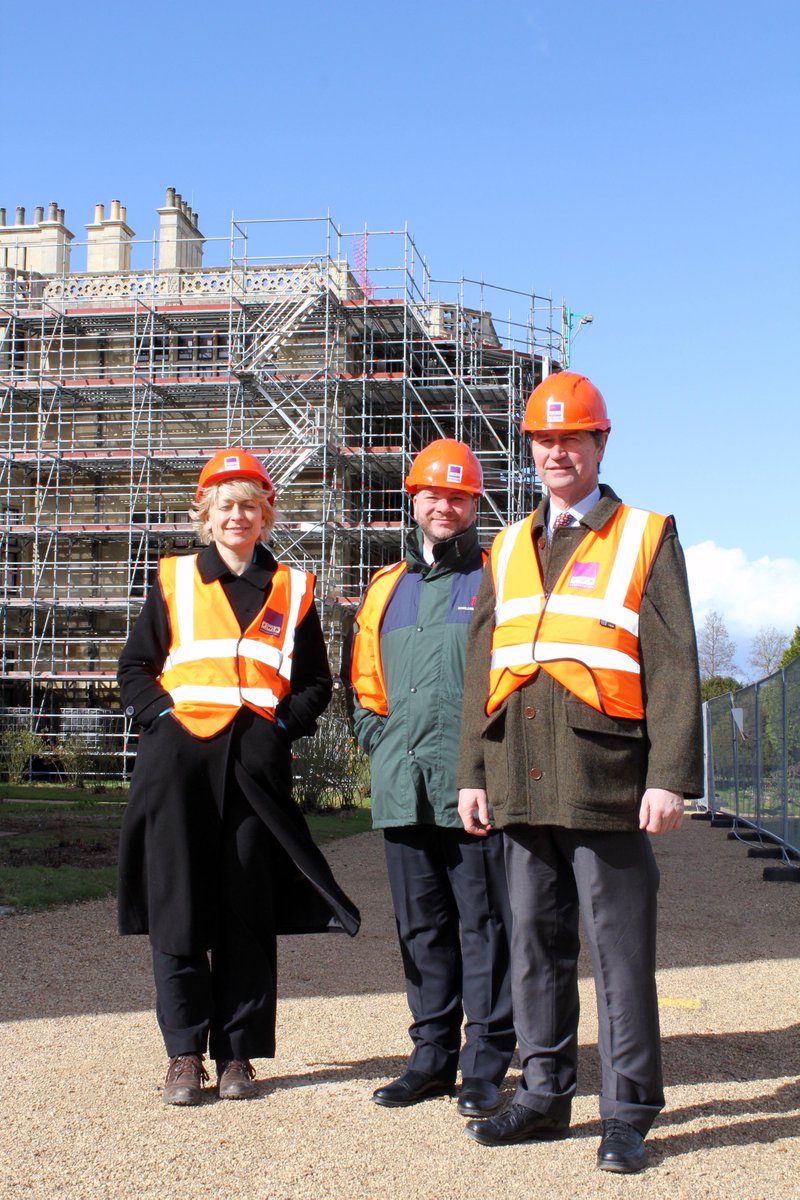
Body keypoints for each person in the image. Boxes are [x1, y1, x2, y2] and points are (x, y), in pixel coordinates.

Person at [456, 373, 702, 1173]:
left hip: (609, 782)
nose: (556, 452)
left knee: (620, 953)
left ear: (600, 444)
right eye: (543, 440)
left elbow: (672, 665)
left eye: (572, 438)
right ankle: (543, 1093)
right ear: (529, 449)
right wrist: (472, 772)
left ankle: (628, 1110)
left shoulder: (644, 533)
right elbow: (482, 666)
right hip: (520, 779)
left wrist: (669, 774)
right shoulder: (506, 545)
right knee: (532, 944)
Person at [117, 449, 360, 1106]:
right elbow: (135, 668)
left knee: (245, 909)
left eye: (249, 504)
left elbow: (315, 682)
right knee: (179, 906)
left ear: (266, 515)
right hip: (178, 766)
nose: (237, 516)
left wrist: (278, 729)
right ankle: (182, 1054)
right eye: (224, 505)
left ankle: (238, 1056)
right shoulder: (171, 580)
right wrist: (161, 719)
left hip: (253, 769)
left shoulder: (291, 588)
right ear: (206, 515)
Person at [348, 440, 515, 1117]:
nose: (444, 506)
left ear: (475, 505)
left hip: (473, 784)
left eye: (458, 496)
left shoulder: (498, 578)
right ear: (412, 501)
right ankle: (430, 1056)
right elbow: (361, 683)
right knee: (420, 928)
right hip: (401, 782)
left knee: (484, 925)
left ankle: (485, 1062)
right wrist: (375, 739)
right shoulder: (386, 586)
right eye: (433, 494)